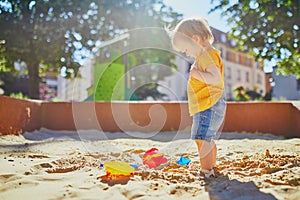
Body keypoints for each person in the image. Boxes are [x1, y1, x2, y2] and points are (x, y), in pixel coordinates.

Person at [167, 17, 226, 178]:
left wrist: (196, 74)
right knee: (207, 138)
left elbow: (216, 79)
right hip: (209, 105)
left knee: (201, 138)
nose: (187, 53)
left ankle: (207, 170)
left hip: (208, 105)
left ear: (195, 39)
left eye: (186, 49)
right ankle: (211, 166)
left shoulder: (207, 55)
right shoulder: (207, 56)